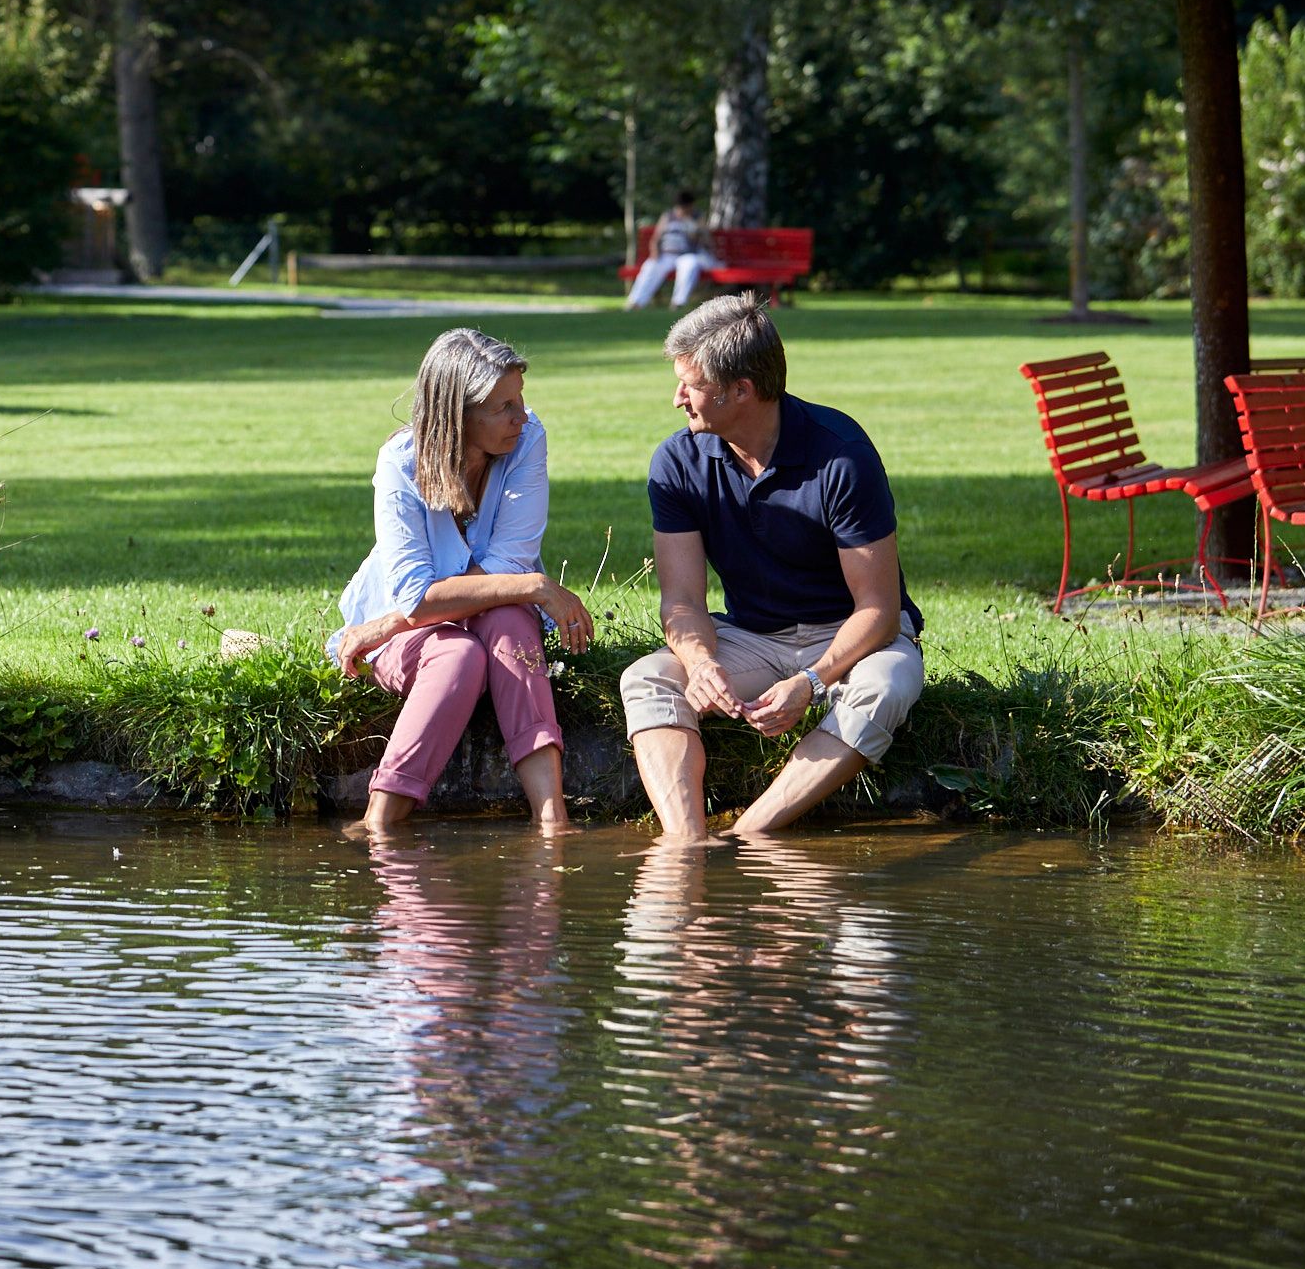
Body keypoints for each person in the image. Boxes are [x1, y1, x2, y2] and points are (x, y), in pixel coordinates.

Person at [619, 294, 924, 838]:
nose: (677, 398)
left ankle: (746, 836)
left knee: (888, 683)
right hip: (753, 637)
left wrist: (811, 681)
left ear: (742, 390)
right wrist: (701, 663)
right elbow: (682, 601)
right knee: (647, 679)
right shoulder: (677, 461)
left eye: (691, 385)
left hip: (852, 637)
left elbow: (878, 612)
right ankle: (686, 843)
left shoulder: (842, 455)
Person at [329, 328, 594, 836]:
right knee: (459, 655)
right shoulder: (401, 464)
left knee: (510, 621)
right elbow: (417, 595)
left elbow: (509, 564)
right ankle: (379, 822)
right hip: (416, 634)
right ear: (457, 416)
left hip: (466, 617)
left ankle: (551, 819)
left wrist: (396, 620)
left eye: (520, 399)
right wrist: (537, 587)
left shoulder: (526, 440)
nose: (521, 416)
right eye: (503, 407)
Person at [626, 190, 721, 311]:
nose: (684, 209)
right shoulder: (668, 216)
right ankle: (636, 302)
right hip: (666, 255)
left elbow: (706, 240)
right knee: (650, 267)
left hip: (688, 254)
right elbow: (656, 239)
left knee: (689, 265)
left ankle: (678, 302)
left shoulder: (697, 217)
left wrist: (696, 231)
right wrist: (655, 252)